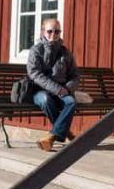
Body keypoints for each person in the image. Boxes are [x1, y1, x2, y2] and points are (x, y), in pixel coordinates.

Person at [27, 18, 80, 152]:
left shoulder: (65, 52)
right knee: (45, 100)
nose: (53, 34)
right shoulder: (36, 50)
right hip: (40, 92)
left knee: (71, 102)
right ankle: (65, 131)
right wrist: (57, 89)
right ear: (43, 32)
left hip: (63, 91)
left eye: (57, 31)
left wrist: (67, 88)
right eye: (50, 31)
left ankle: (51, 136)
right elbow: (34, 74)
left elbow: (75, 75)